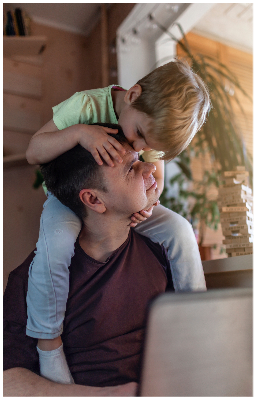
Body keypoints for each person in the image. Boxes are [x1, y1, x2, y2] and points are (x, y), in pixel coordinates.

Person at [25, 60, 209, 383]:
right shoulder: (84, 106)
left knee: (180, 230)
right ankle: (48, 344)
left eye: (147, 148)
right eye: (138, 136)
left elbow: (156, 179)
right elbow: (33, 151)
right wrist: (80, 133)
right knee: (54, 247)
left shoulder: (149, 133)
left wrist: (149, 203)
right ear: (133, 95)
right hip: (68, 200)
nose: (138, 149)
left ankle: (196, 322)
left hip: (124, 199)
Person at [4, 131, 176, 396]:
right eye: (131, 168)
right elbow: (8, 381)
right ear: (94, 199)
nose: (151, 166)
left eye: (140, 158)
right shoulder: (31, 282)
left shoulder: (161, 254)